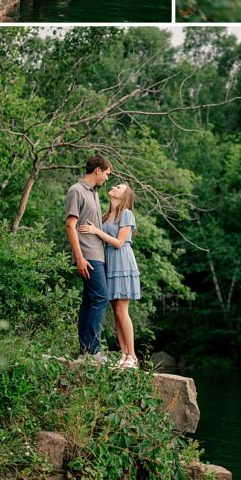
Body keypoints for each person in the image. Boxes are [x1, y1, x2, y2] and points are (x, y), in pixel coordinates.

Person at [80, 183, 140, 369]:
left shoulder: (126, 214)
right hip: (109, 264)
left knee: (123, 311)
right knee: (116, 312)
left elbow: (119, 242)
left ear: (124, 195)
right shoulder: (106, 216)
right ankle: (123, 354)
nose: (114, 186)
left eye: (119, 187)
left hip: (122, 262)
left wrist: (96, 231)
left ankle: (132, 356)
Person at [64, 155, 112, 362]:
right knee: (102, 298)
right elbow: (70, 225)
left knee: (89, 301)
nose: (107, 179)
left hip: (97, 253)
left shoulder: (93, 193)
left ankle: (84, 351)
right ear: (98, 171)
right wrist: (80, 257)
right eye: (107, 174)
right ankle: (93, 351)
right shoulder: (76, 190)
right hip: (88, 255)